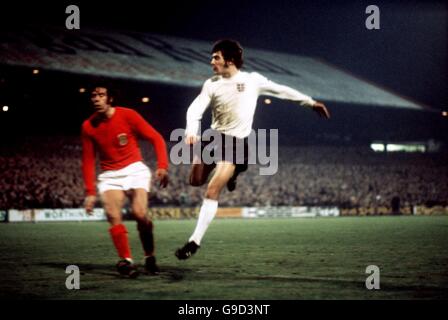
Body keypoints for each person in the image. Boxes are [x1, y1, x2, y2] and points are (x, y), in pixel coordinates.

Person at [175, 39, 330, 260]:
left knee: (212, 190)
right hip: (213, 137)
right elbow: (195, 108)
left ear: (229, 60)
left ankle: (194, 241)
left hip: (235, 143)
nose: (211, 62)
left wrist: (310, 102)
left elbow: (281, 90)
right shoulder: (212, 83)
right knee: (195, 180)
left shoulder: (252, 80)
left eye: (215, 57)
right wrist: (191, 130)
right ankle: (238, 169)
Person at [81, 83, 169, 277]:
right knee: (113, 215)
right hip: (110, 175)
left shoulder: (128, 115)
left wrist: (162, 166)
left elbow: (156, 138)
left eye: (101, 95)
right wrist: (90, 192)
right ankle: (126, 261)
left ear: (110, 98)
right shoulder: (88, 126)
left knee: (139, 214)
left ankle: (149, 256)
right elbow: (88, 160)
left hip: (134, 170)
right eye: (93, 95)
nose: (96, 99)